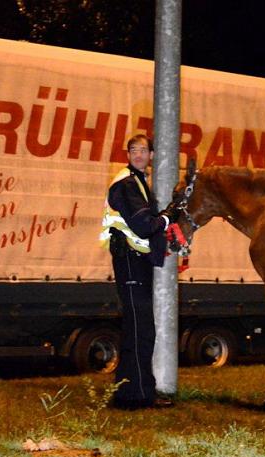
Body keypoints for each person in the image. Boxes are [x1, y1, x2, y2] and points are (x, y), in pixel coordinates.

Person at [99, 134, 177, 409]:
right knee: (139, 330)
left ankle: (135, 392)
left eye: (144, 150)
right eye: (134, 150)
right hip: (130, 262)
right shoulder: (127, 184)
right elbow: (144, 225)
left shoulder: (138, 182)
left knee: (140, 329)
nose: (139, 154)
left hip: (135, 262)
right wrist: (168, 217)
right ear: (128, 153)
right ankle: (136, 395)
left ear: (152, 155)